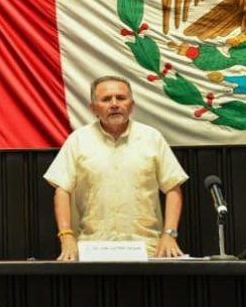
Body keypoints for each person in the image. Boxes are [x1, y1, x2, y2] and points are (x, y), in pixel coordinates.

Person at [44, 76, 188, 261]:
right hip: (92, 247)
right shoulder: (78, 140)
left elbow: (173, 186)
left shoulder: (152, 138)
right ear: (93, 108)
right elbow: (62, 189)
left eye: (121, 98)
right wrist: (66, 235)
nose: (114, 104)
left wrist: (169, 234)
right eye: (106, 99)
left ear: (132, 104)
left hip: (146, 248)